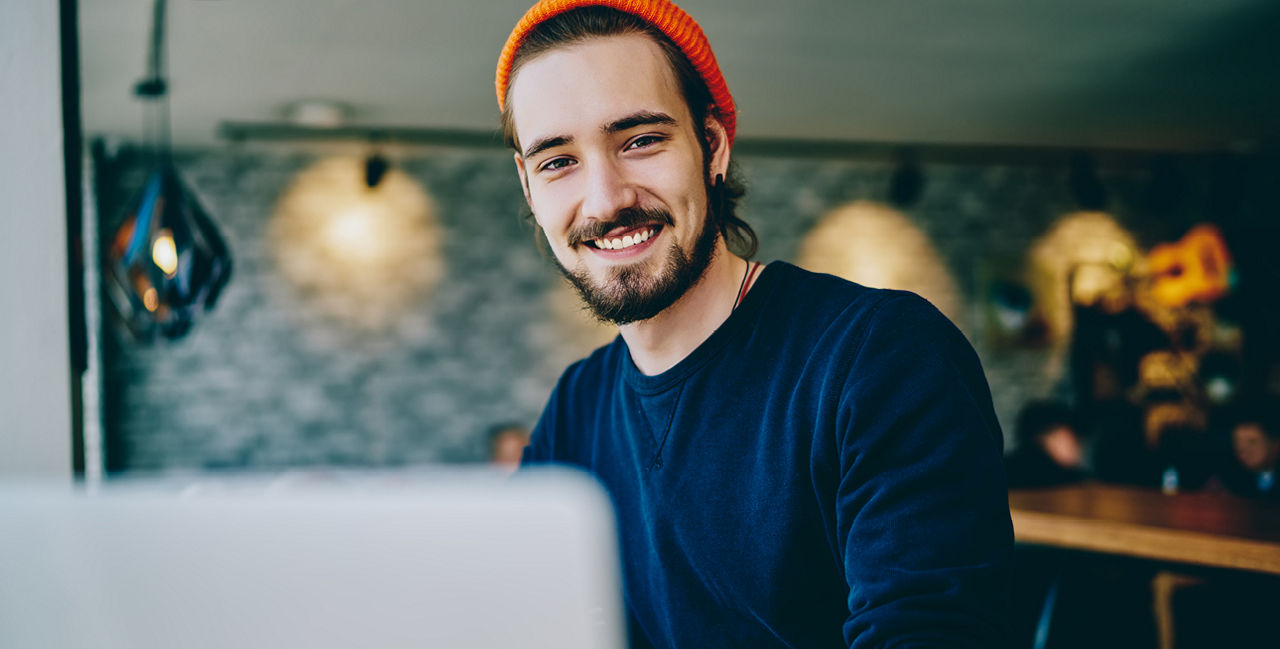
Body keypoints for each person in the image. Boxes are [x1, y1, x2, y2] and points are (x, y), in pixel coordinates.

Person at [496, 1, 1013, 646]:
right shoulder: (577, 407)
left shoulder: (882, 358)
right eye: (557, 160)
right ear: (528, 186)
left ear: (711, 145)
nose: (605, 199)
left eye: (641, 140)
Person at [1004, 400, 1087, 488]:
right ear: (1045, 438)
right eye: (1071, 435)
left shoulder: (1000, 472)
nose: (1077, 443)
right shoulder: (1068, 481)